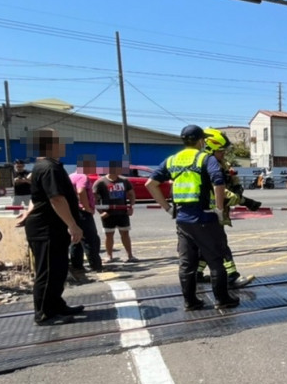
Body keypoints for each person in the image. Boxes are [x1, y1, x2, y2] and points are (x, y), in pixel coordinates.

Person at [147, 125, 240, 311]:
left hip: (182, 219)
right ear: (200, 141)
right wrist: (220, 209)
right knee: (215, 260)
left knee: (187, 263)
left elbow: (151, 183)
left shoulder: (172, 160)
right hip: (205, 218)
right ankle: (222, 299)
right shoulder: (205, 158)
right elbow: (218, 182)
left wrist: (168, 208)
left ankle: (190, 302)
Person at [19, 129, 85, 325]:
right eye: (59, 141)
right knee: (47, 271)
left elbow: (37, 197)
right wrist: (72, 225)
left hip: (52, 228)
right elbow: (56, 198)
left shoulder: (47, 166)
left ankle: (56, 304)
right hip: (46, 228)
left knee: (58, 269)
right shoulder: (49, 168)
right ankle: (43, 313)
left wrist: (27, 213)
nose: (63, 145)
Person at [195, 128, 250, 287]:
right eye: (221, 151)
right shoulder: (205, 163)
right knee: (220, 244)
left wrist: (237, 186)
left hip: (217, 211)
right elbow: (217, 188)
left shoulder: (221, 162)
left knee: (207, 245)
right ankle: (232, 276)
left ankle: (197, 273)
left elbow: (230, 176)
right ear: (210, 149)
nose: (224, 154)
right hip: (209, 211)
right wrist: (239, 199)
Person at [95, 160, 137, 262]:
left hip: (122, 213)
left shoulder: (124, 181)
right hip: (108, 214)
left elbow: (131, 194)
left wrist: (131, 207)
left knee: (125, 234)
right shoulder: (101, 182)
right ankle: (109, 256)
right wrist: (101, 212)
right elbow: (94, 199)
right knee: (109, 235)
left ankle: (130, 256)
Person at [68, 155, 103, 280]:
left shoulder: (70, 176)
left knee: (76, 239)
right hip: (82, 212)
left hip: (72, 212)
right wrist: (86, 207)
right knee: (90, 239)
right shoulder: (83, 177)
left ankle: (77, 265)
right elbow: (81, 191)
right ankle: (95, 265)